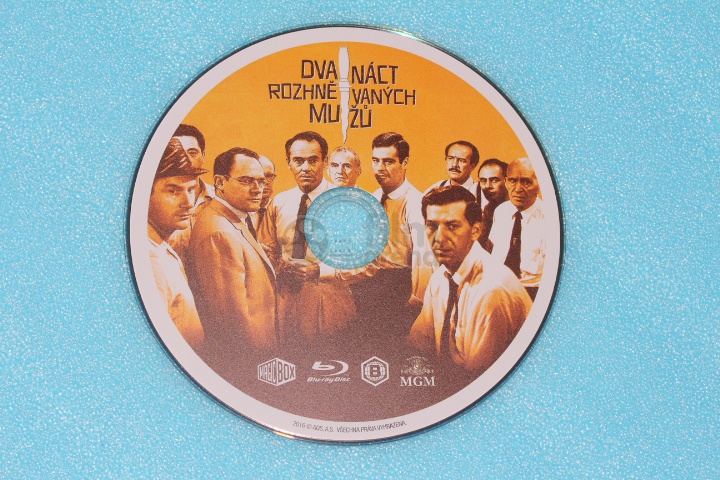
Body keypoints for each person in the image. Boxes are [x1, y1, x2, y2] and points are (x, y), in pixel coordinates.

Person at [408, 186, 531, 378]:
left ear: (476, 231)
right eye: (432, 226)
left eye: (452, 226)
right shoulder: (440, 277)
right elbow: (419, 343)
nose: (439, 238)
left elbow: (481, 378)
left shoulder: (492, 289)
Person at [185, 147, 278, 379]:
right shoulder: (220, 232)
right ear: (220, 182)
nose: (258, 189)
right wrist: (255, 372)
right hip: (249, 365)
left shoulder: (232, 220)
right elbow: (231, 324)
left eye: (261, 181)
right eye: (246, 181)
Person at [258, 131, 355, 351]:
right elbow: (266, 249)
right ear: (288, 163)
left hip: (330, 303)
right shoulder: (279, 202)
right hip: (285, 305)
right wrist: (279, 265)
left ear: (325, 162)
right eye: (298, 161)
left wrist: (320, 271)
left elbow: (369, 262)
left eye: (313, 160)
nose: (305, 168)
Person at [147, 138, 207, 350]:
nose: (188, 203)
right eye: (173, 191)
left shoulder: (161, 247)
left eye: (190, 190)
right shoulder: (150, 262)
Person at [488, 157, 546, 301]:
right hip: (498, 288)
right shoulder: (501, 211)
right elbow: (492, 250)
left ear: (540, 184)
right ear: (506, 182)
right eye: (513, 181)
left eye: (526, 182)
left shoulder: (549, 219)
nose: (518, 189)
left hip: (532, 293)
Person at [168, 124, 214, 263]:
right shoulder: (154, 201)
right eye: (178, 153)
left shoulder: (221, 199)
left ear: (203, 156)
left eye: (192, 152)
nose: (186, 159)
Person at [476, 158, 509, 251]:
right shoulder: (488, 210)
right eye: (483, 180)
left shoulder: (518, 210)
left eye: (494, 180)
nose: (487, 186)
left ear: (507, 181)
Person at [250, 155, 276, 231]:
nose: (265, 182)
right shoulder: (236, 213)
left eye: (269, 176)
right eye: (259, 177)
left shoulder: (281, 210)